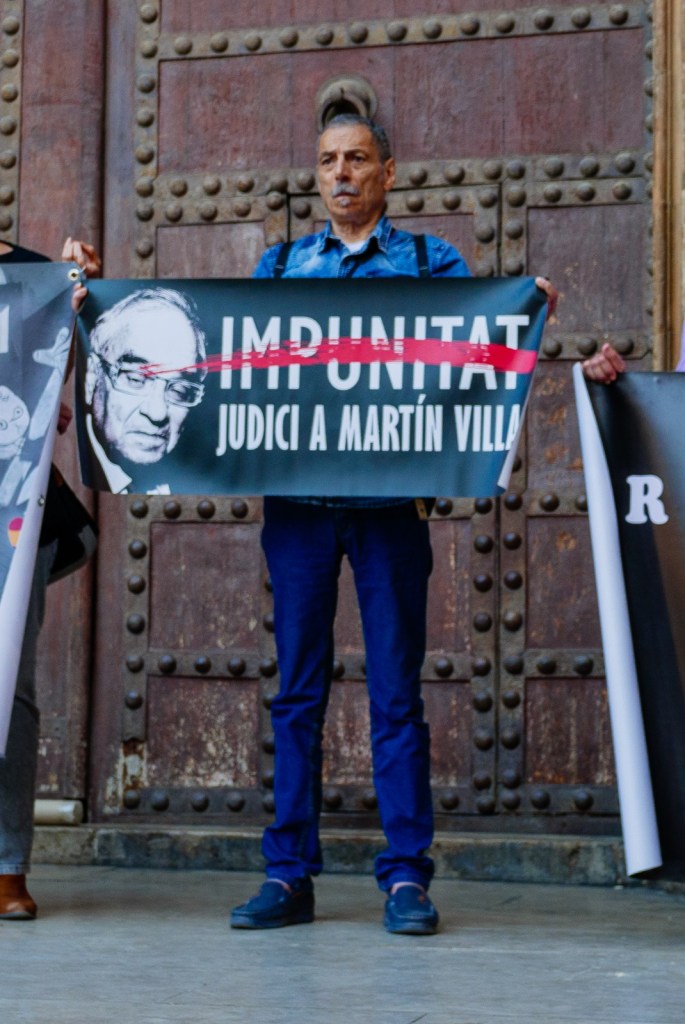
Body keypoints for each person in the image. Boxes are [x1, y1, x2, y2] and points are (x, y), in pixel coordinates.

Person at [230, 113, 558, 935]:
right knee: (295, 694)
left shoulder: (428, 262)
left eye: (356, 159)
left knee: (395, 696)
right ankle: (287, 876)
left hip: (390, 514)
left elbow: (480, 344)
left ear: (388, 171)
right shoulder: (279, 268)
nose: (340, 174)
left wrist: (526, 311)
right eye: (327, 161)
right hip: (299, 512)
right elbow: (236, 363)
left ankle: (406, 877)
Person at [0, 236, 100, 920]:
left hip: (13, 503)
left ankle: (7, 866)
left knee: (11, 682)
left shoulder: (36, 276)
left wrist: (80, 297)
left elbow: (49, 376)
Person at [83, 287, 207, 494]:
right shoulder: (55, 471)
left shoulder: (190, 481)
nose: (157, 413)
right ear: (93, 376)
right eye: (136, 379)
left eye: (179, 390)